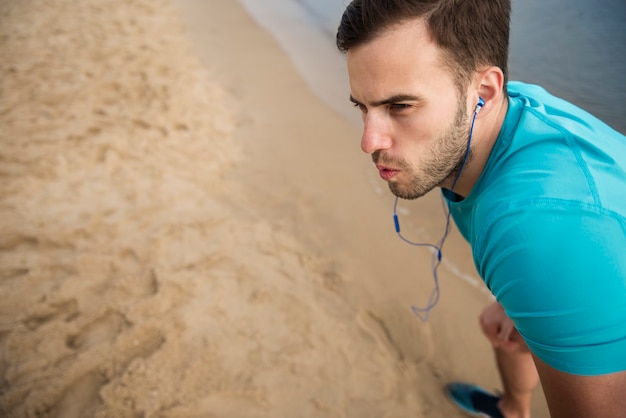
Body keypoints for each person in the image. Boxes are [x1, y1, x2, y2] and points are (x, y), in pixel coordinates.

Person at [335, 1, 626, 417]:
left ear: (483, 92)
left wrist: (537, 284)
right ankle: (513, 409)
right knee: (506, 326)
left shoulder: (537, 229)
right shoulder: (500, 117)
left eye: (400, 107)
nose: (369, 141)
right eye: (362, 106)